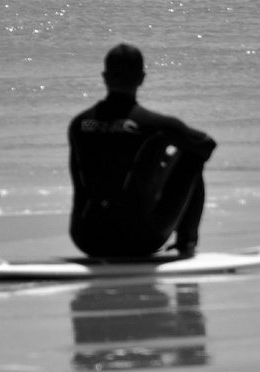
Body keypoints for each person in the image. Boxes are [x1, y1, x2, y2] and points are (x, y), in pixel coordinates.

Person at [68, 43, 217, 259]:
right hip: (139, 240)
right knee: (192, 155)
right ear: (142, 78)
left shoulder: (79, 124)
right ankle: (187, 244)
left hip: (86, 238)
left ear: (105, 77)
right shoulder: (156, 126)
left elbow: (107, 162)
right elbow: (207, 145)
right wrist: (167, 159)